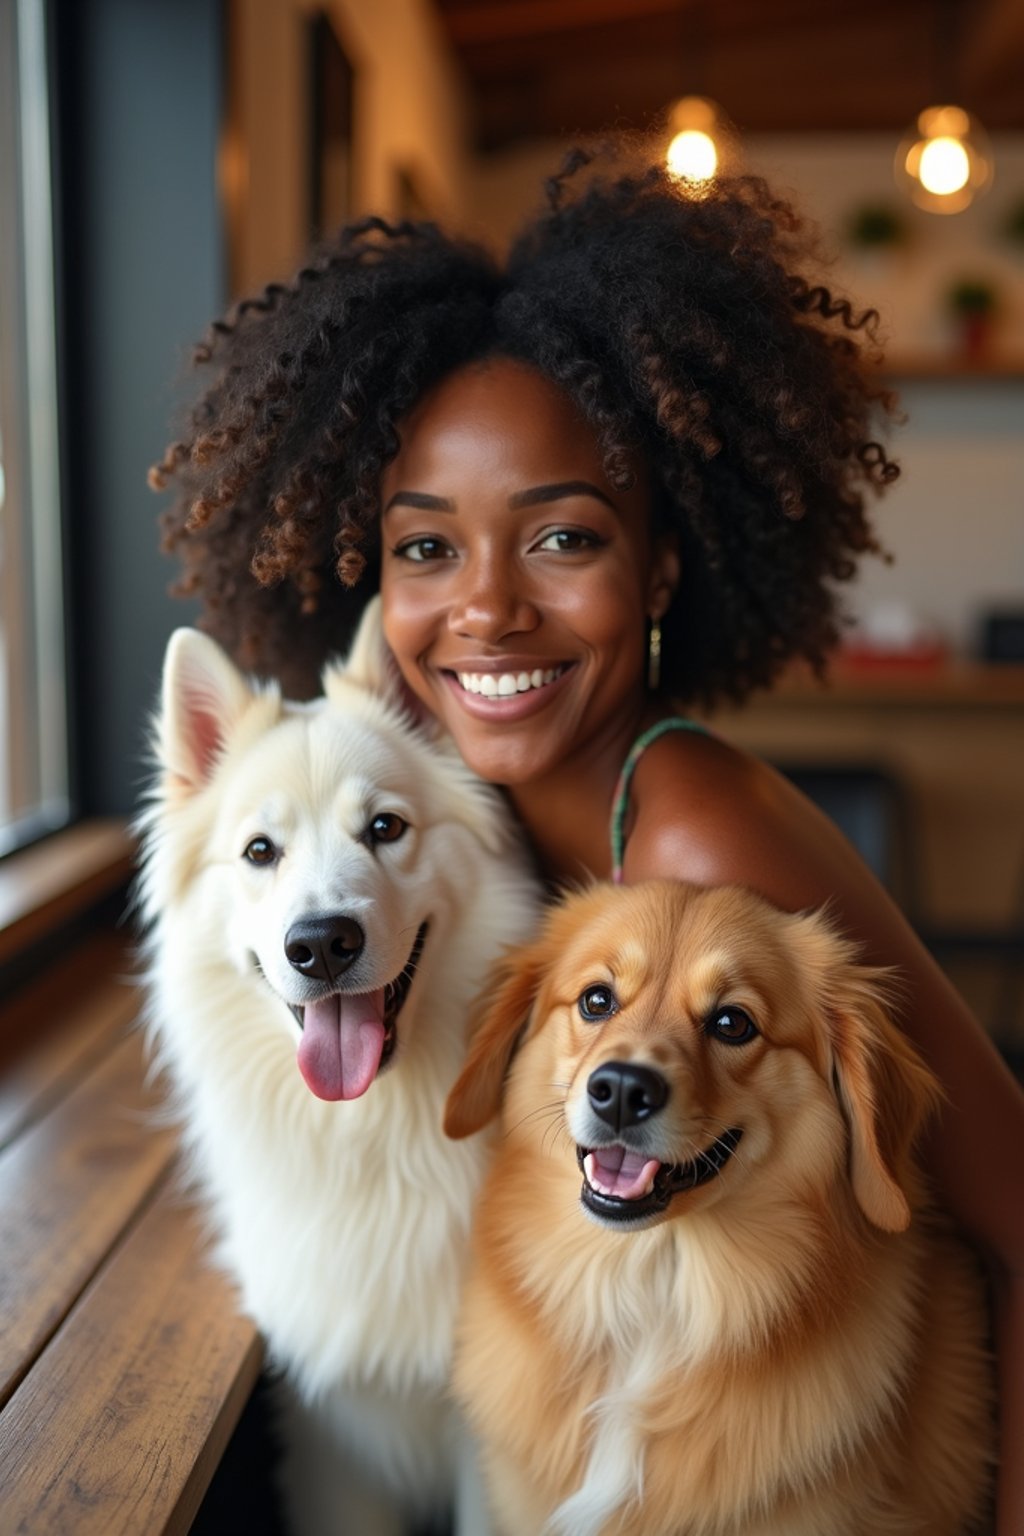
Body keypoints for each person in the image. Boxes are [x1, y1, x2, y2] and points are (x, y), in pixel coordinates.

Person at [152, 145, 1023, 1530]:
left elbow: (1008, 1197)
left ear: (661, 567)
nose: (488, 611)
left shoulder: (694, 838)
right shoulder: (450, 809)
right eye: (428, 549)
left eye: (561, 540)